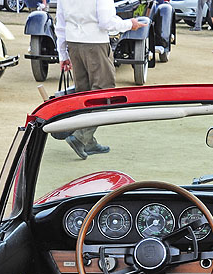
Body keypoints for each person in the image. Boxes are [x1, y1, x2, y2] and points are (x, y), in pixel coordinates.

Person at [56, 0, 147, 159]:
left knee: (83, 93)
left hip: (73, 43)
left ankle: (88, 141)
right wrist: (129, 24)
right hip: (95, 42)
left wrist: (63, 54)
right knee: (104, 93)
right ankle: (81, 136)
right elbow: (106, 22)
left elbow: (61, 23)